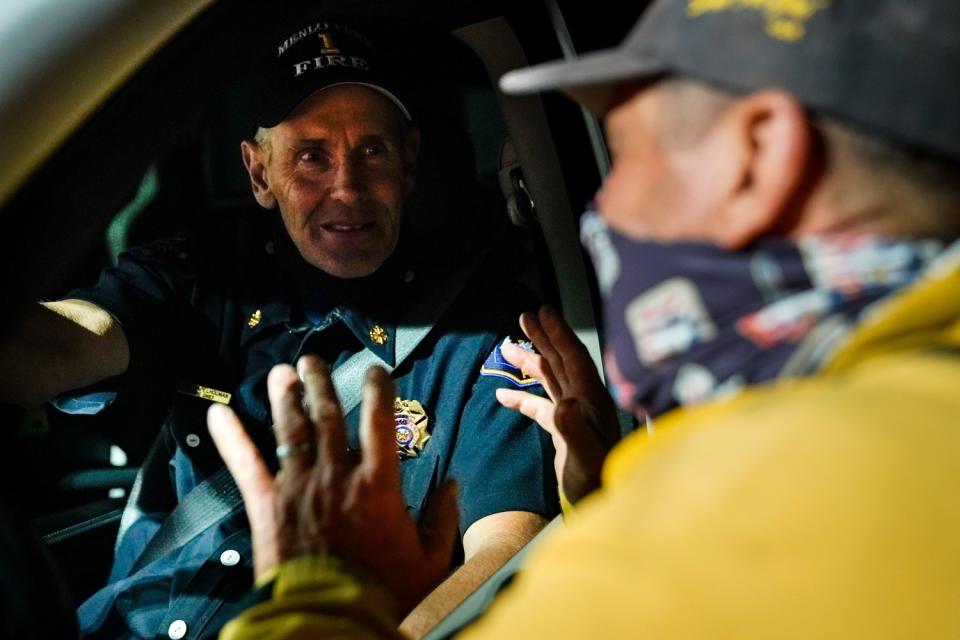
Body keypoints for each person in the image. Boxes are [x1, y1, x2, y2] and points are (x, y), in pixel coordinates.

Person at [210, 0, 960, 637]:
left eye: (629, 152)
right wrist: (608, 498)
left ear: (758, 159)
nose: (603, 207)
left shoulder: (758, 508)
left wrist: (317, 607)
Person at [0, 16, 558, 640]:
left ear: (408, 163)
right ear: (260, 173)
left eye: (371, 151)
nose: (347, 189)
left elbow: (507, 546)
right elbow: (64, 341)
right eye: (312, 156)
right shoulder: (201, 279)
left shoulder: (485, 328)